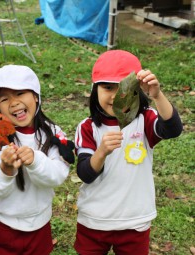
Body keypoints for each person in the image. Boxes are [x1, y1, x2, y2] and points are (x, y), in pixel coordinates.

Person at [74, 50, 183, 255]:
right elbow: (85, 174)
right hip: (95, 219)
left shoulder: (145, 120)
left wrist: (157, 95)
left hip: (135, 220)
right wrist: (102, 152)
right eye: (107, 87)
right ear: (94, 89)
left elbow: (173, 129)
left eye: (124, 88)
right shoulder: (88, 128)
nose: (116, 95)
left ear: (137, 91)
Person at [0, 65, 72, 255]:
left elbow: (57, 176)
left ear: (36, 97)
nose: (14, 103)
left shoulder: (53, 133)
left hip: (41, 225)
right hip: (3, 227)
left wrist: (35, 161)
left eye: (20, 93)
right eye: (5, 99)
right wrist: (5, 170)